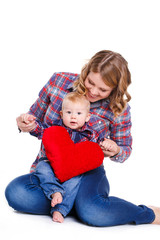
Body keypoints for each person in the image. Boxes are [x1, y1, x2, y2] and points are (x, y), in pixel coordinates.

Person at [5, 50, 160, 226]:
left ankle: (147, 214)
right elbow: (34, 118)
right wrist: (24, 123)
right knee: (16, 193)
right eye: (90, 82)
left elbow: (124, 150)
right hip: (50, 168)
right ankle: (75, 202)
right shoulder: (58, 81)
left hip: (87, 171)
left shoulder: (119, 108)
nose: (93, 91)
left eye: (103, 89)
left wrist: (115, 150)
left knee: (94, 213)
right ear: (86, 71)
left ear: (115, 89)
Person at [33, 91, 104, 223]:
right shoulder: (55, 127)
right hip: (51, 164)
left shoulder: (90, 134)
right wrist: (32, 124)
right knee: (41, 167)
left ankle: (60, 209)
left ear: (87, 117)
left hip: (73, 170)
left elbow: (97, 148)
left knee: (75, 180)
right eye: (69, 112)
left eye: (78, 113)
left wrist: (108, 145)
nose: (73, 117)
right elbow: (41, 130)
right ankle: (55, 191)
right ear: (61, 114)